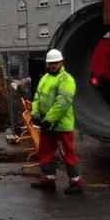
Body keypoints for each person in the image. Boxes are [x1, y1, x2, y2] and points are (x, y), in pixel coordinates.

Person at [30, 49, 83, 195]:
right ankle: (48, 180)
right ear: (48, 64)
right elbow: (37, 97)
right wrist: (35, 113)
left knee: (67, 153)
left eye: (55, 63)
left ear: (61, 62)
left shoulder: (66, 79)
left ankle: (76, 182)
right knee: (45, 152)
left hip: (61, 125)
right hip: (47, 124)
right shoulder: (45, 78)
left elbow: (62, 102)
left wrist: (48, 119)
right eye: (51, 63)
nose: (53, 65)